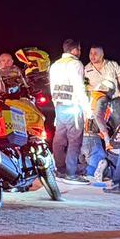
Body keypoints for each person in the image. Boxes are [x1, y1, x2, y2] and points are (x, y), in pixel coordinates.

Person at [48, 39, 90, 183]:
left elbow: (52, 88)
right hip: (73, 107)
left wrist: (56, 108)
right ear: (74, 50)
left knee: (59, 139)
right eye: (79, 49)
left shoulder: (55, 65)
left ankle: (60, 170)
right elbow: (79, 87)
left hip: (59, 106)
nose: (80, 52)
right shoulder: (76, 64)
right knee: (74, 140)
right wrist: (87, 109)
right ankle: (71, 173)